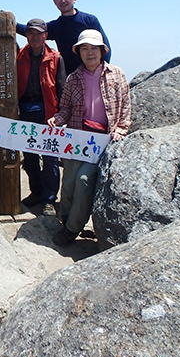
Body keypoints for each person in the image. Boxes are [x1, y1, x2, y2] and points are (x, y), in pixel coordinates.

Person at [47, 29, 131, 246]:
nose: (90, 52)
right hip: (78, 139)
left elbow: (126, 105)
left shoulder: (116, 74)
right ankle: (65, 219)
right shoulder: (74, 78)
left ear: (102, 51)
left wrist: (122, 127)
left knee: (84, 182)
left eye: (94, 48)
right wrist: (57, 119)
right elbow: (65, 108)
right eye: (85, 48)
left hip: (103, 141)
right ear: (79, 52)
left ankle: (72, 229)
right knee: (68, 183)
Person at [16, 18, 67, 216]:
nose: (34, 37)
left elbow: (61, 88)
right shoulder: (20, 55)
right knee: (29, 156)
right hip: (25, 109)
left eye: (39, 33)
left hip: (47, 112)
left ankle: (49, 199)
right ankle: (36, 192)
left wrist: (62, 116)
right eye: (31, 33)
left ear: (46, 35)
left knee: (50, 157)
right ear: (26, 35)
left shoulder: (56, 58)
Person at [17, 0, 111, 73]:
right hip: (69, 77)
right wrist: (13, 25)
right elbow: (33, 32)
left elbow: (105, 47)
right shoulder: (55, 26)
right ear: (54, 1)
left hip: (93, 73)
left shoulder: (89, 20)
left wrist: (102, 72)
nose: (63, 1)